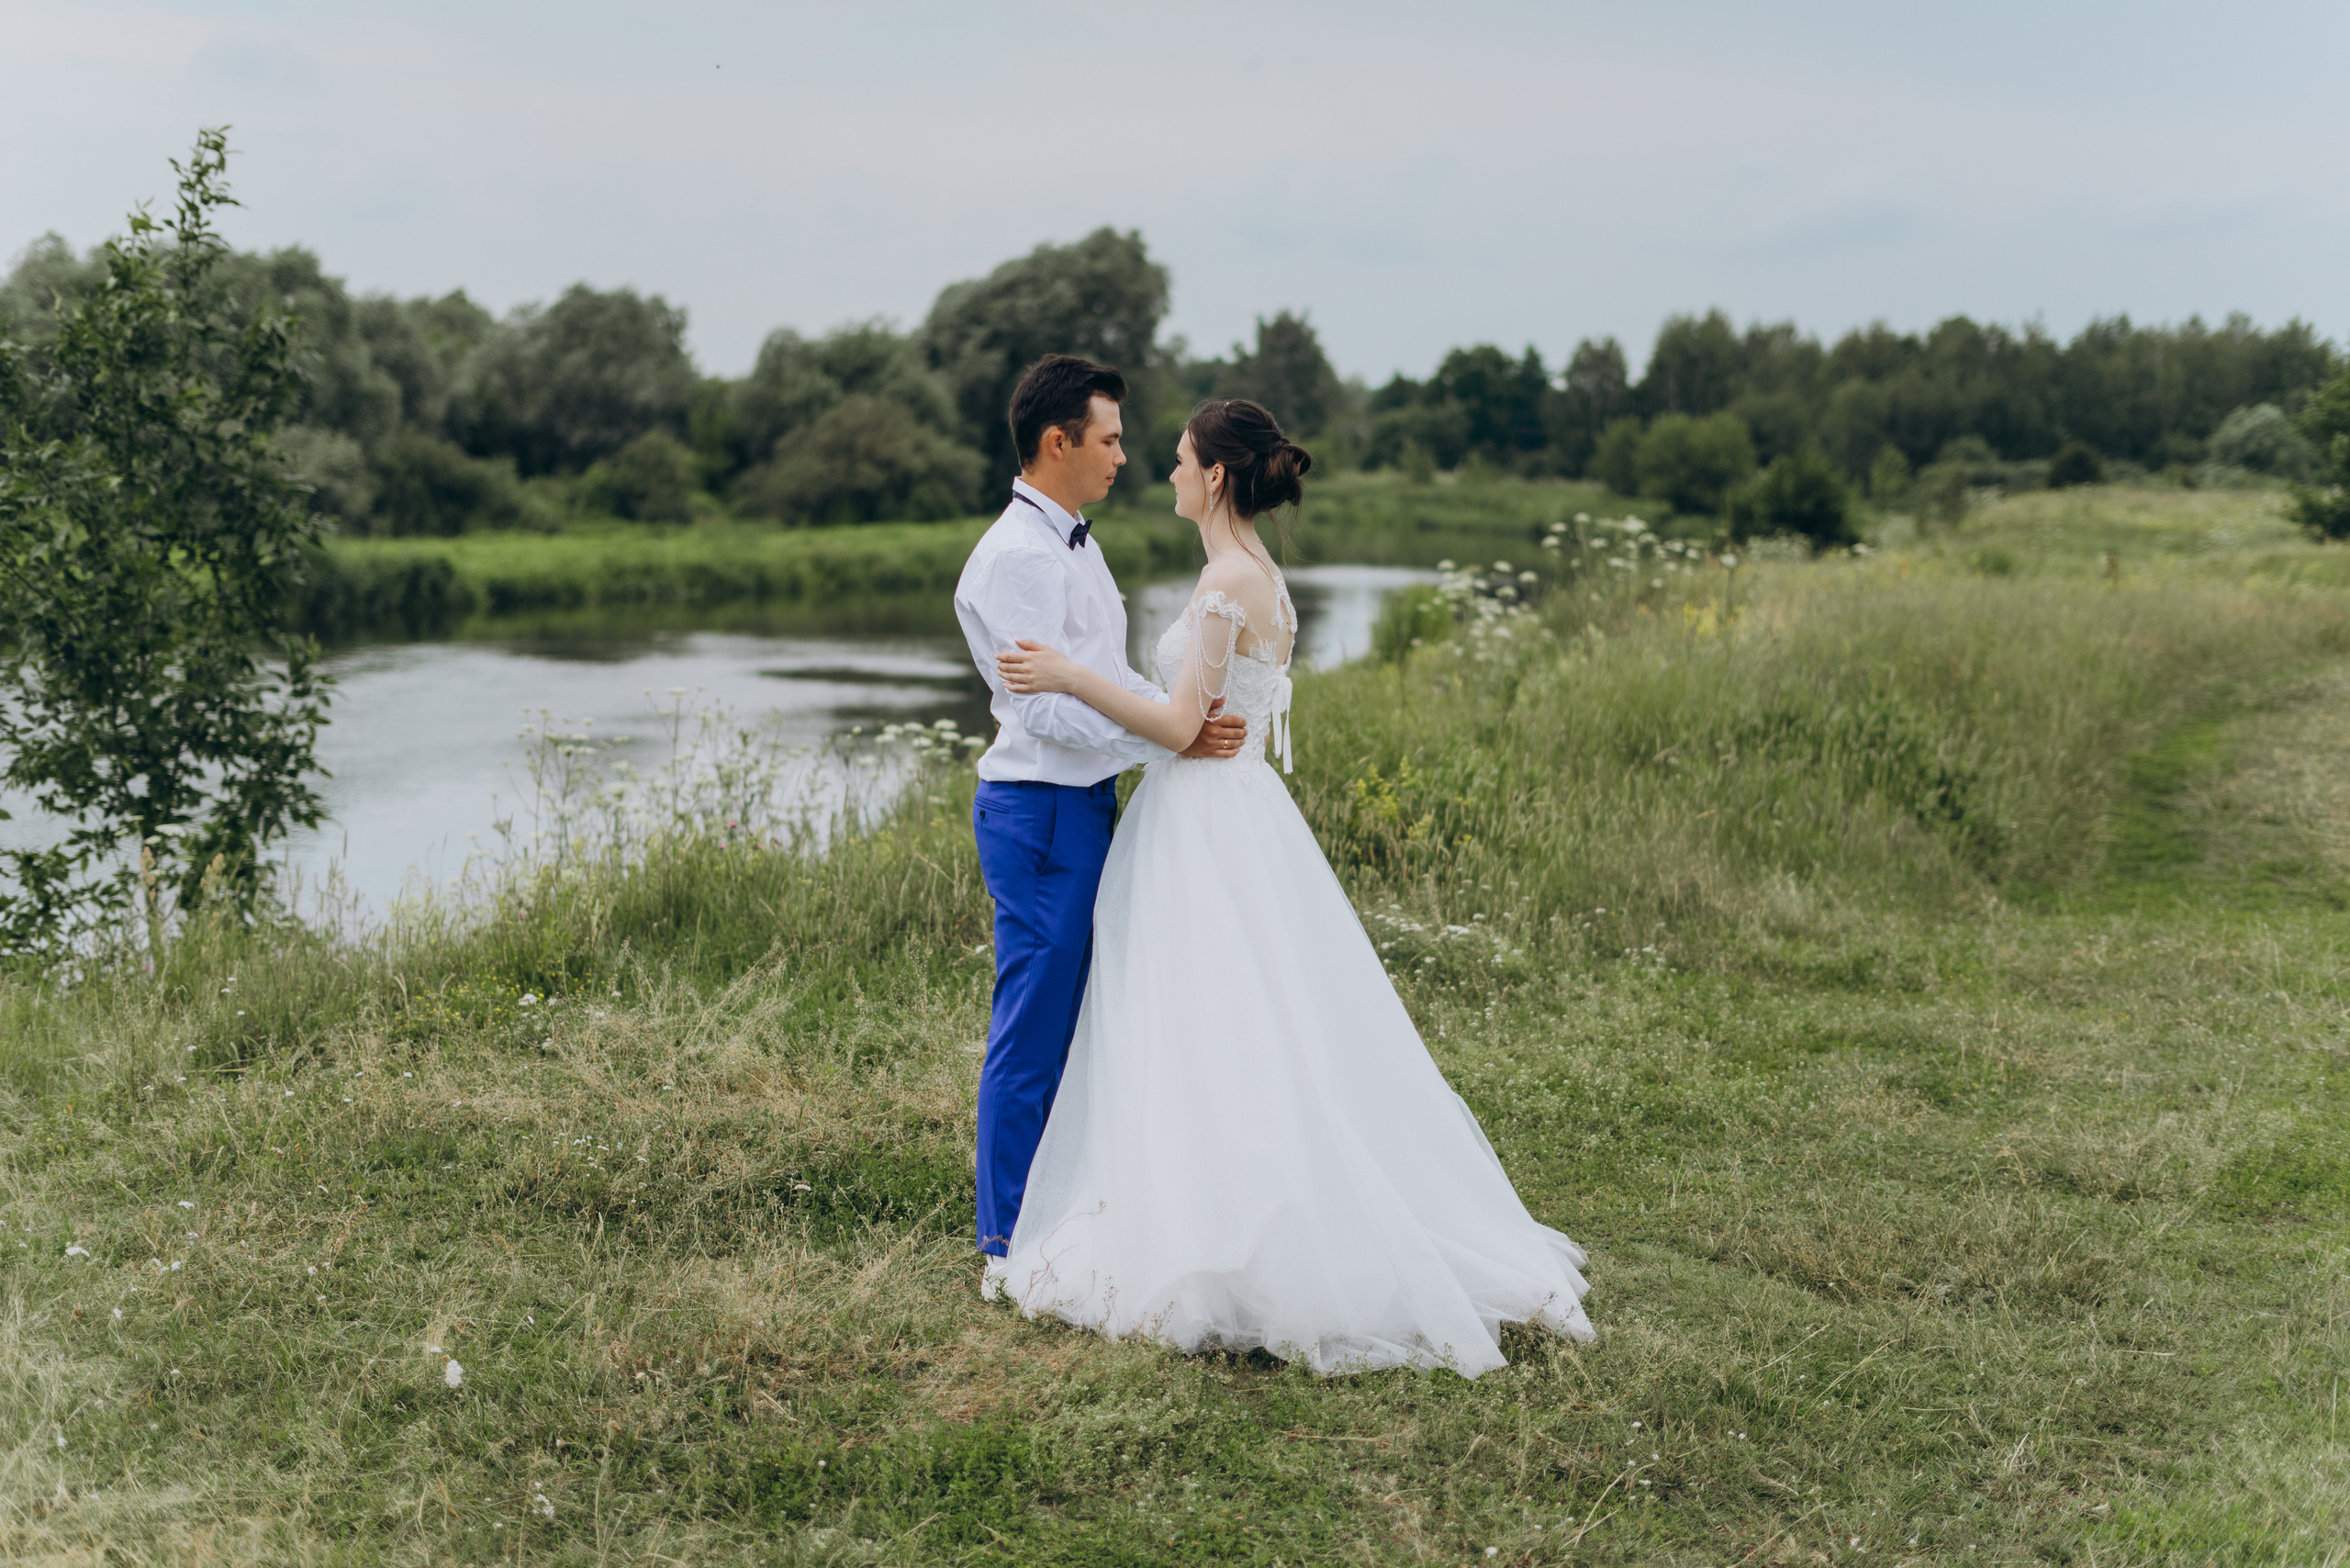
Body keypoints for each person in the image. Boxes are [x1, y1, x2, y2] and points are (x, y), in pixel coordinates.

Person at [990, 398, 1595, 1376]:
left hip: (1202, 816)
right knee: (1226, 1018)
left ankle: (1230, 1239)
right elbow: (1204, 717)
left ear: (1217, 475)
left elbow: (1185, 722)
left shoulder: (1230, 579)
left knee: (1207, 1017)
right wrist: (1170, 719)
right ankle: (1216, 1211)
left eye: (1183, 460)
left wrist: (1063, 672)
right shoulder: (1251, 572)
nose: (1168, 471)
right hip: (1230, 810)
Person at [953, 355, 1248, 1293]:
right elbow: (1044, 710)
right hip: (1038, 812)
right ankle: (1002, 1248)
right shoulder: (1016, 558)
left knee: (1084, 1022)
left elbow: (1103, 676)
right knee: (1033, 1028)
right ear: (1059, 442)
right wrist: (1167, 743)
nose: (1124, 456)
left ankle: (1063, 1213)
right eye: (1112, 438)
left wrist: (1176, 718)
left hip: (1081, 805)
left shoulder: (1073, 538)